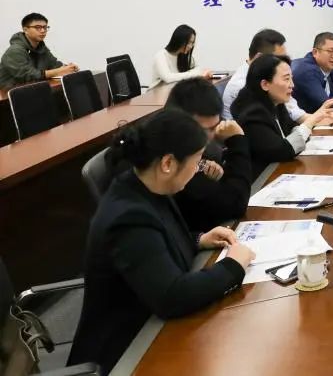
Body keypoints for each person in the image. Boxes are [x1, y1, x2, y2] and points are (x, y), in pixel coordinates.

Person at [68, 110, 255, 374]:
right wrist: (233, 266)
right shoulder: (128, 217)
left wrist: (199, 239)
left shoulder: (148, 186)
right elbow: (173, 297)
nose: (198, 169)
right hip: (126, 353)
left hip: (153, 326)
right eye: (197, 161)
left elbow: (157, 242)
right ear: (168, 163)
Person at [164, 78, 254, 231]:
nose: (212, 136)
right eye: (208, 129)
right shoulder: (174, 161)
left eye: (215, 126)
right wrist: (237, 141)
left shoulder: (191, 149)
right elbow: (236, 204)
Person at [232, 54, 333, 172]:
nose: (292, 85)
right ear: (265, 84)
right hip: (262, 177)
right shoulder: (253, 114)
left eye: (291, 78)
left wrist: (303, 130)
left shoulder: (275, 102)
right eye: (286, 79)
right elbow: (282, 151)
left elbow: (291, 130)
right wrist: (310, 122)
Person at [221, 28, 328, 125]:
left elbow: (295, 112)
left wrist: (320, 117)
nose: (283, 63)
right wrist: (314, 120)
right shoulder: (243, 84)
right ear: (259, 58)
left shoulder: (267, 76)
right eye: (279, 59)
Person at [0, 13, 78, 89]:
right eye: (38, 27)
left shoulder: (41, 47)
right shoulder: (15, 50)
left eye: (45, 27)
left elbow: (54, 64)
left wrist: (68, 68)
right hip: (8, 93)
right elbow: (27, 75)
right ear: (25, 30)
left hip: (32, 89)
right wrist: (59, 71)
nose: (43, 30)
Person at [291, 32, 333, 113]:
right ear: (315, 52)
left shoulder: (326, 67)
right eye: (330, 51)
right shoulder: (305, 70)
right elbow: (327, 105)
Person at [149, 24, 211, 88]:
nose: (190, 46)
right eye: (189, 42)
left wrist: (197, 73)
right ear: (180, 40)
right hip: (156, 92)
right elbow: (168, 78)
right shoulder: (161, 55)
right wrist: (194, 74)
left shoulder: (184, 56)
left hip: (173, 91)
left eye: (192, 43)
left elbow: (198, 69)